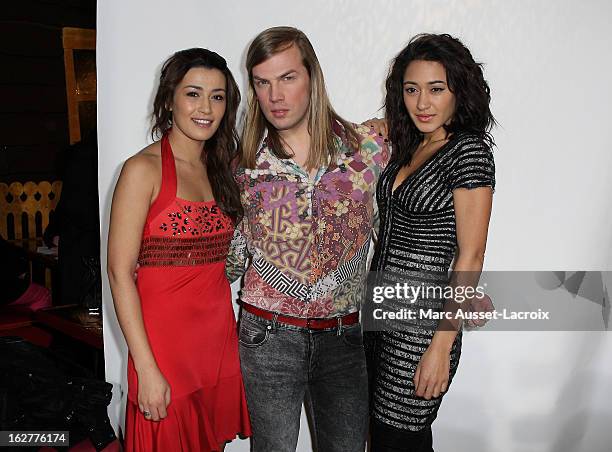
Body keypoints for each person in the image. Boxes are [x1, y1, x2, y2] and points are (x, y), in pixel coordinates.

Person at [226, 26, 388, 452]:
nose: (275, 95)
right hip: (267, 338)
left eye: (287, 78)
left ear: (312, 78)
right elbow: (227, 262)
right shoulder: (242, 166)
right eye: (263, 82)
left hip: (345, 337)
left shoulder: (369, 149)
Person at [107, 48, 251, 451]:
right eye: (193, 93)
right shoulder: (142, 171)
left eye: (218, 96)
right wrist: (146, 368)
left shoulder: (224, 168)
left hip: (217, 344)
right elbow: (119, 273)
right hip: (163, 353)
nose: (206, 107)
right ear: (169, 99)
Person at [366, 34, 496, 452]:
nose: (422, 102)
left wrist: (442, 343)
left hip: (422, 328)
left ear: (460, 91)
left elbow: (471, 253)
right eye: (411, 89)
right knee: (384, 436)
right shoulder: (412, 144)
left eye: (436, 89)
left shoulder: (468, 152)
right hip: (378, 312)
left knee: (398, 438)